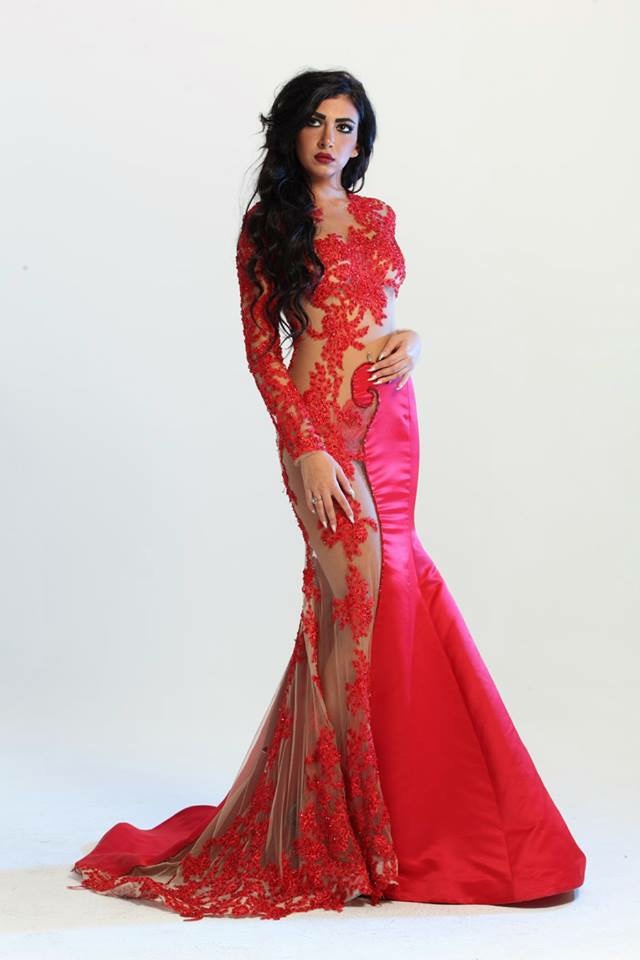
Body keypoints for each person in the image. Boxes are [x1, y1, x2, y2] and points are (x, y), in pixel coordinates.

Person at [69, 68, 586, 921]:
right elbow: (261, 353)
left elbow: (384, 313)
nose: (329, 138)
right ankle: (341, 832)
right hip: (319, 432)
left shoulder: (378, 218)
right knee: (356, 605)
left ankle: (393, 814)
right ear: (291, 131)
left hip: (393, 424)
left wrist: (413, 343)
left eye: (345, 126)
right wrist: (305, 445)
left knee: (385, 604)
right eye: (315, 122)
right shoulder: (267, 226)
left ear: (361, 142)